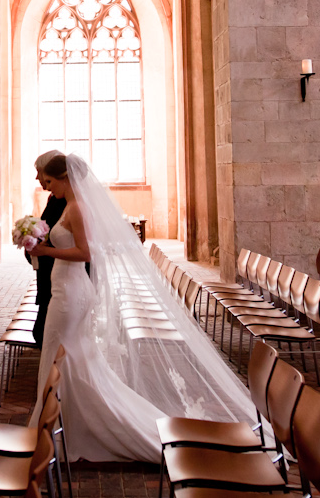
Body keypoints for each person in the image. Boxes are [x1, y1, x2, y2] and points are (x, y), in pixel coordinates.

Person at [25, 152, 253, 462]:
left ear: (65, 178)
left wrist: (46, 248)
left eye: (50, 182)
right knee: (71, 360)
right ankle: (67, 424)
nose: (48, 188)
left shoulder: (76, 208)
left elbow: (87, 253)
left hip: (71, 293)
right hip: (67, 290)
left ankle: (59, 429)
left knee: (59, 355)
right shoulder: (71, 206)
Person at [32, 150, 68, 346]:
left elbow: (84, 251)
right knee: (44, 334)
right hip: (53, 273)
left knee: (46, 335)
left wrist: (44, 249)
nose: (38, 178)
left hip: (63, 275)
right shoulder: (56, 198)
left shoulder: (71, 204)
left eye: (41, 174)